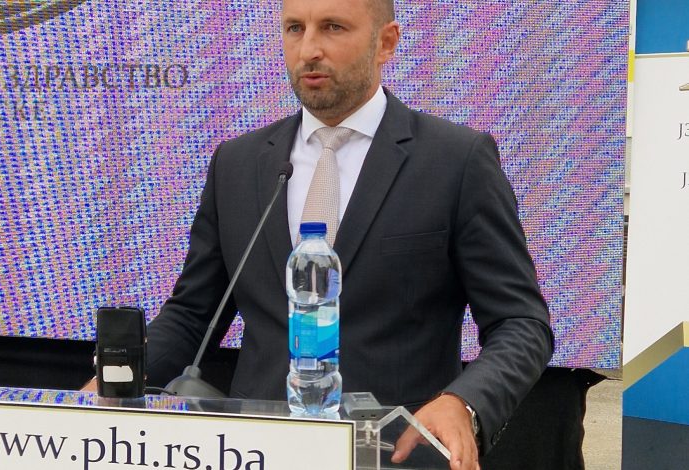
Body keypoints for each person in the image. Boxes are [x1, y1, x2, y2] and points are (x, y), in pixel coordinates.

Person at [95, 1, 554, 469]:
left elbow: (520, 323)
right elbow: (193, 315)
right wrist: (105, 387)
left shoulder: (455, 161)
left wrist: (464, 403)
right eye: (295, 28)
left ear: (386, 43)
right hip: (256, 452)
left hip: (395, 453)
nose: (309, 49)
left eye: (333, 27)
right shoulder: (238, 164)